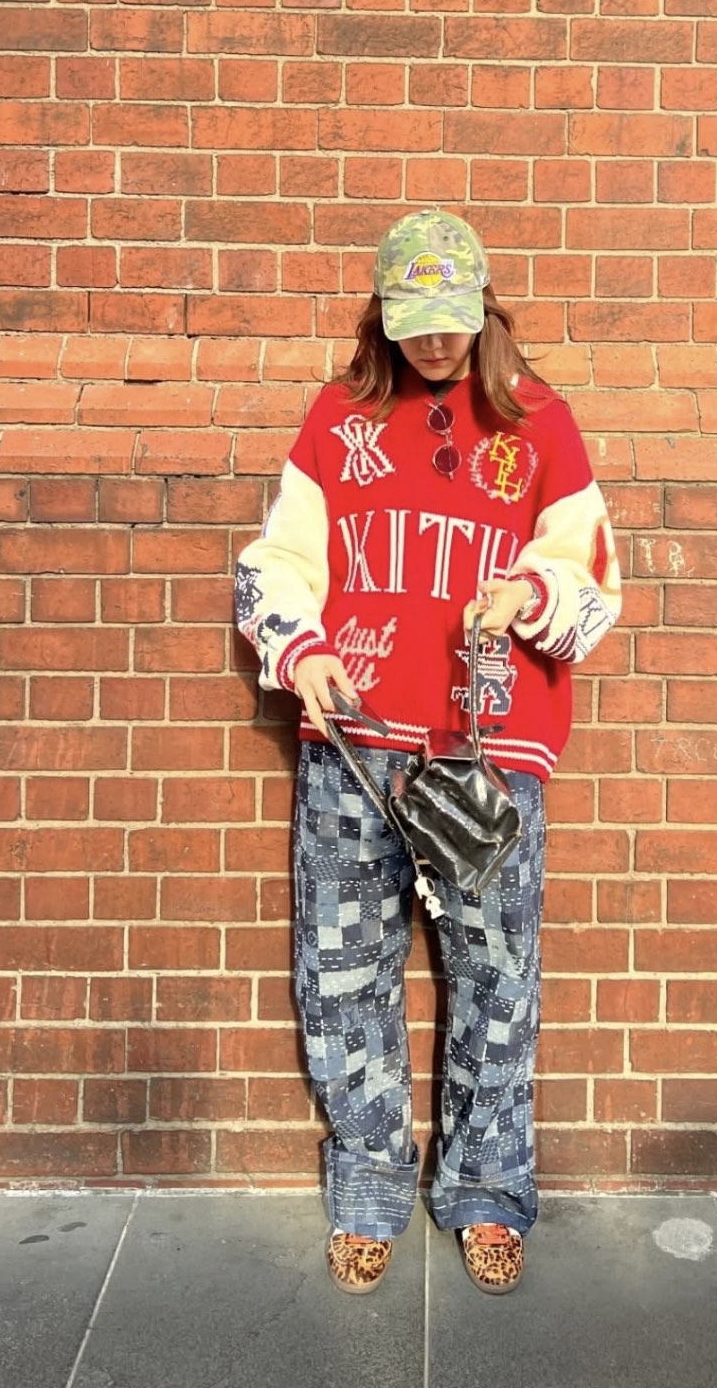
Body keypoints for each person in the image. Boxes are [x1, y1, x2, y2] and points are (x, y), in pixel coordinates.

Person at [234, 210, 621, 1296]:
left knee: (496, 976)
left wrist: (530, 594)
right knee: (343, 971)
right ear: (383, 317)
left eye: (452, 320)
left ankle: (487, 1186)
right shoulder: (338, 419)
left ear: (485, 311)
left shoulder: (540, 423)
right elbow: (276, 561)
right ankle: (367, 1183)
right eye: (415, 323)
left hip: (487, 753)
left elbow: (594, 581)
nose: (436, 342)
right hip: (355, 747)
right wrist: (298, 645)